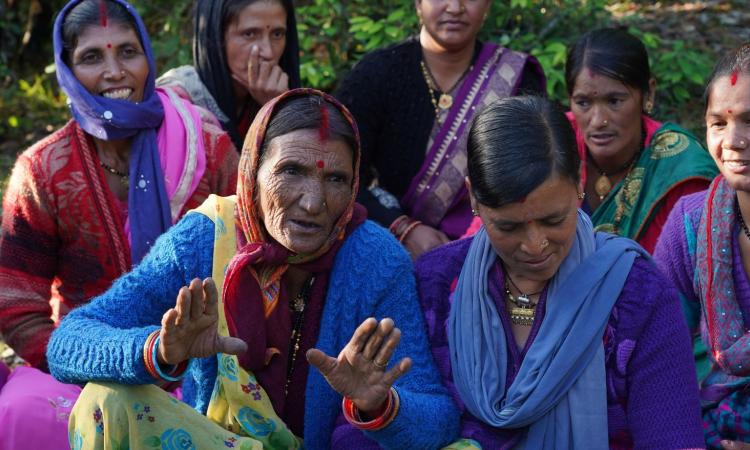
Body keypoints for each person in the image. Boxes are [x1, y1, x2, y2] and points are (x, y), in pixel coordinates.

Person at [46, 89, 460, 450]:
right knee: (106, 402)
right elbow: (67, 343)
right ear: (252, 172)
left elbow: (436, 417)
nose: (313, 203)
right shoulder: (205, 239)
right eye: (290, 171)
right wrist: (160, 350)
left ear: (353, 187)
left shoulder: (375, 260)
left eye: (336, 179)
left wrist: (380, 405)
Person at [0, 0, 239, 448]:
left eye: (127, 52)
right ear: (67, 70)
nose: (115, 71)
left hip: (203, 358)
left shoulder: (203, 147)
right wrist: (91, 362)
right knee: (20, 412)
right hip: (84, 366)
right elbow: (16, 302)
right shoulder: (43, 170)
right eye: (92, 57)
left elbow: (253, 249)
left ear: (148, 58)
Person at [416, 96, 704, 448]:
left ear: (580, 183)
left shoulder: (637, 295)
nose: (535, 245)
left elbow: (673, 438)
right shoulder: (435, 285)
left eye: (554, 220)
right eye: (508, 227)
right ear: (473, 198)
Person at [335, 0, 545, 259]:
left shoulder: (517, 79)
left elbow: (535, 179)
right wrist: (402, 228)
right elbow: (340, 176)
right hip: (389, 252)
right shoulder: (377, 75)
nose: (455, 8)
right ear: (418, 4)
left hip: (491, 254)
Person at [654, 44, 750, 450]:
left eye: (749, 121)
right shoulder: (692, 223)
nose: (733, 141)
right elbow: (655, 350)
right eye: (718, 123)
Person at [566, 28, 717, 253]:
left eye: (615, 101)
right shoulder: (554, 142)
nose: (598, 121)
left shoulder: (679, 171)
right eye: (583, 103)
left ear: (648, 95)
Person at [157, 0, 300, 151]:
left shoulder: (283, 94)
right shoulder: (176, 106)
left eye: (277, 34)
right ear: (216, 37)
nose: (268, 52)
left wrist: (279, 110)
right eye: (249, 34)